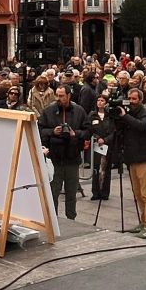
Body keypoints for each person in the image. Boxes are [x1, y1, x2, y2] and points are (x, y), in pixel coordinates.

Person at [37, 84, 88, 220]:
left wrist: (74, 133)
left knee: (71, 193)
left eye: (62, 96)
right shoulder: (48, 111)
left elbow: (87, 131)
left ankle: (71, 219)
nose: (58, 98)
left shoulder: (79, 111)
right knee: (53, 192)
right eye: (57, 95)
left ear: (69, 96)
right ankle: (53, 220)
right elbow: (39, 130)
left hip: (72, 157)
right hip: (54, 159)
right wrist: (52, 131)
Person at [116, 88, 146, 239]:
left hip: (145, 159)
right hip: (132, 159)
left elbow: (142, 126)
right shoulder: (129, 114)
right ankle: (143, 221)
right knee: (137, 193)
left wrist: (125, 116)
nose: (131, 101)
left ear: (140, 100)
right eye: (129, 98)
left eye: (134, 99)